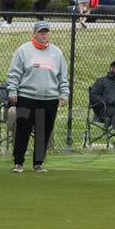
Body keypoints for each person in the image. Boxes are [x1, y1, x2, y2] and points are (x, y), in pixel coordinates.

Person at [6, 21, 69, 173]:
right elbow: (14, 73)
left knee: (43, 132)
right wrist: (12, 91)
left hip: (49, 99)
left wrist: (64, 93)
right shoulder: (23, 50)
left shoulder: (57, 52)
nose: (44, 34)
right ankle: (18, 163)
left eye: (46, 31)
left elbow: (63, 76)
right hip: (27, 97)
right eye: (41, 32)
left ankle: (38, 164)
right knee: (23, 130)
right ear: (34, 34)